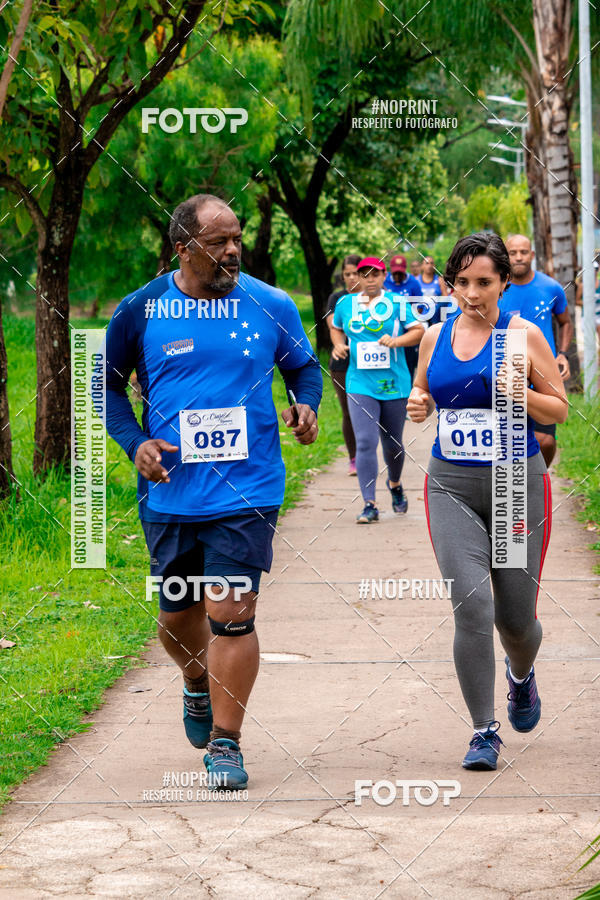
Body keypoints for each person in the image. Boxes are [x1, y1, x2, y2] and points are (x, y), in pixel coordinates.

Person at [104, 194, 321, 788]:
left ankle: (226, 743)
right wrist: (134, 443)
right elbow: (107, 387)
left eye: (237, 239)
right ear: (182, 248)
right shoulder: (141, 310)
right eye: (219, 241)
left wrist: (306, 405)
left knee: (230, 610)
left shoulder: (269, 303)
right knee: (177, 619)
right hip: (171, 493)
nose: (232, 250)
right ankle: (196, 681)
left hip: (248, 489)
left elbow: (302, 366)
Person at [408, 232, 567, 771]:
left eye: (484, 282)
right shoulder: (435, 335)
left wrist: (521, 393)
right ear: (450, 283)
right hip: (451, 481)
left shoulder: (521, 336)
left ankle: (520, 677)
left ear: (502, 283)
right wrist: (418, 401)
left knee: (517, 622)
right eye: (462, 282)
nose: (472, 293)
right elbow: (426, 390)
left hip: (513, 483)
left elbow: (560, 411)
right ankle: (483, 731)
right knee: (471, 605)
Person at [331, 256, 424, 523]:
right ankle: (369, 503)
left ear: (383, 276)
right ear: (358, 277)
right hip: (359, 382)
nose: (370, 279)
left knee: (392, 444)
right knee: (365, 442)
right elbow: (336, 328)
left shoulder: (397, 303)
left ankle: (394, 484)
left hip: (394, 383)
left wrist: (396, 341)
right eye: (365, 274)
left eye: (375, 274)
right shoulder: (345, 304)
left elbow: (419, 331)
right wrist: (338, 345)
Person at [500, 234, 573, 466]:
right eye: (513, 252)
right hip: (505, 373)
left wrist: (562, 353)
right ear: (506, 256)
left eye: (524, 252)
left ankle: (539, 479)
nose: (519, 257)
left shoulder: (551, 287)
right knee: (506, 442)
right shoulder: (498, 288)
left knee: (545, 441)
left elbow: (566, 322)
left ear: (532, 255)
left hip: (543, 375)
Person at [325, 255, 361, 475]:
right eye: (347, 274)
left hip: (370, 365)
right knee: (348, 412)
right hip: (342, 363)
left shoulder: (374, 299)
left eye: (355, 273)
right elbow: (333, 324)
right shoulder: (337, 298)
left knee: (368, 412)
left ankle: (368, 453)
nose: (351, 278)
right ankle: (354, 459)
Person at [383, 254, 424, 382]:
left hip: (407, 331)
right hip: (388, 329)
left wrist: (406, 317)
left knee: (408, 364)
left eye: (400, 274)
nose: (396, 277)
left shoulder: (413, 283)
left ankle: (407, 390)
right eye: (394, 273)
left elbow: (420, 306)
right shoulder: (384, 281)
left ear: (405, 271)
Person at [417, 255, 450, 325]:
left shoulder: (440, 280)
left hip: (436, 316)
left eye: (431, 263)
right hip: (421, 315)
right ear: (422, 266)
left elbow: (446, 298)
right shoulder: (416, 280)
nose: (429, 266)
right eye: (427, 263)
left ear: (434, 266)